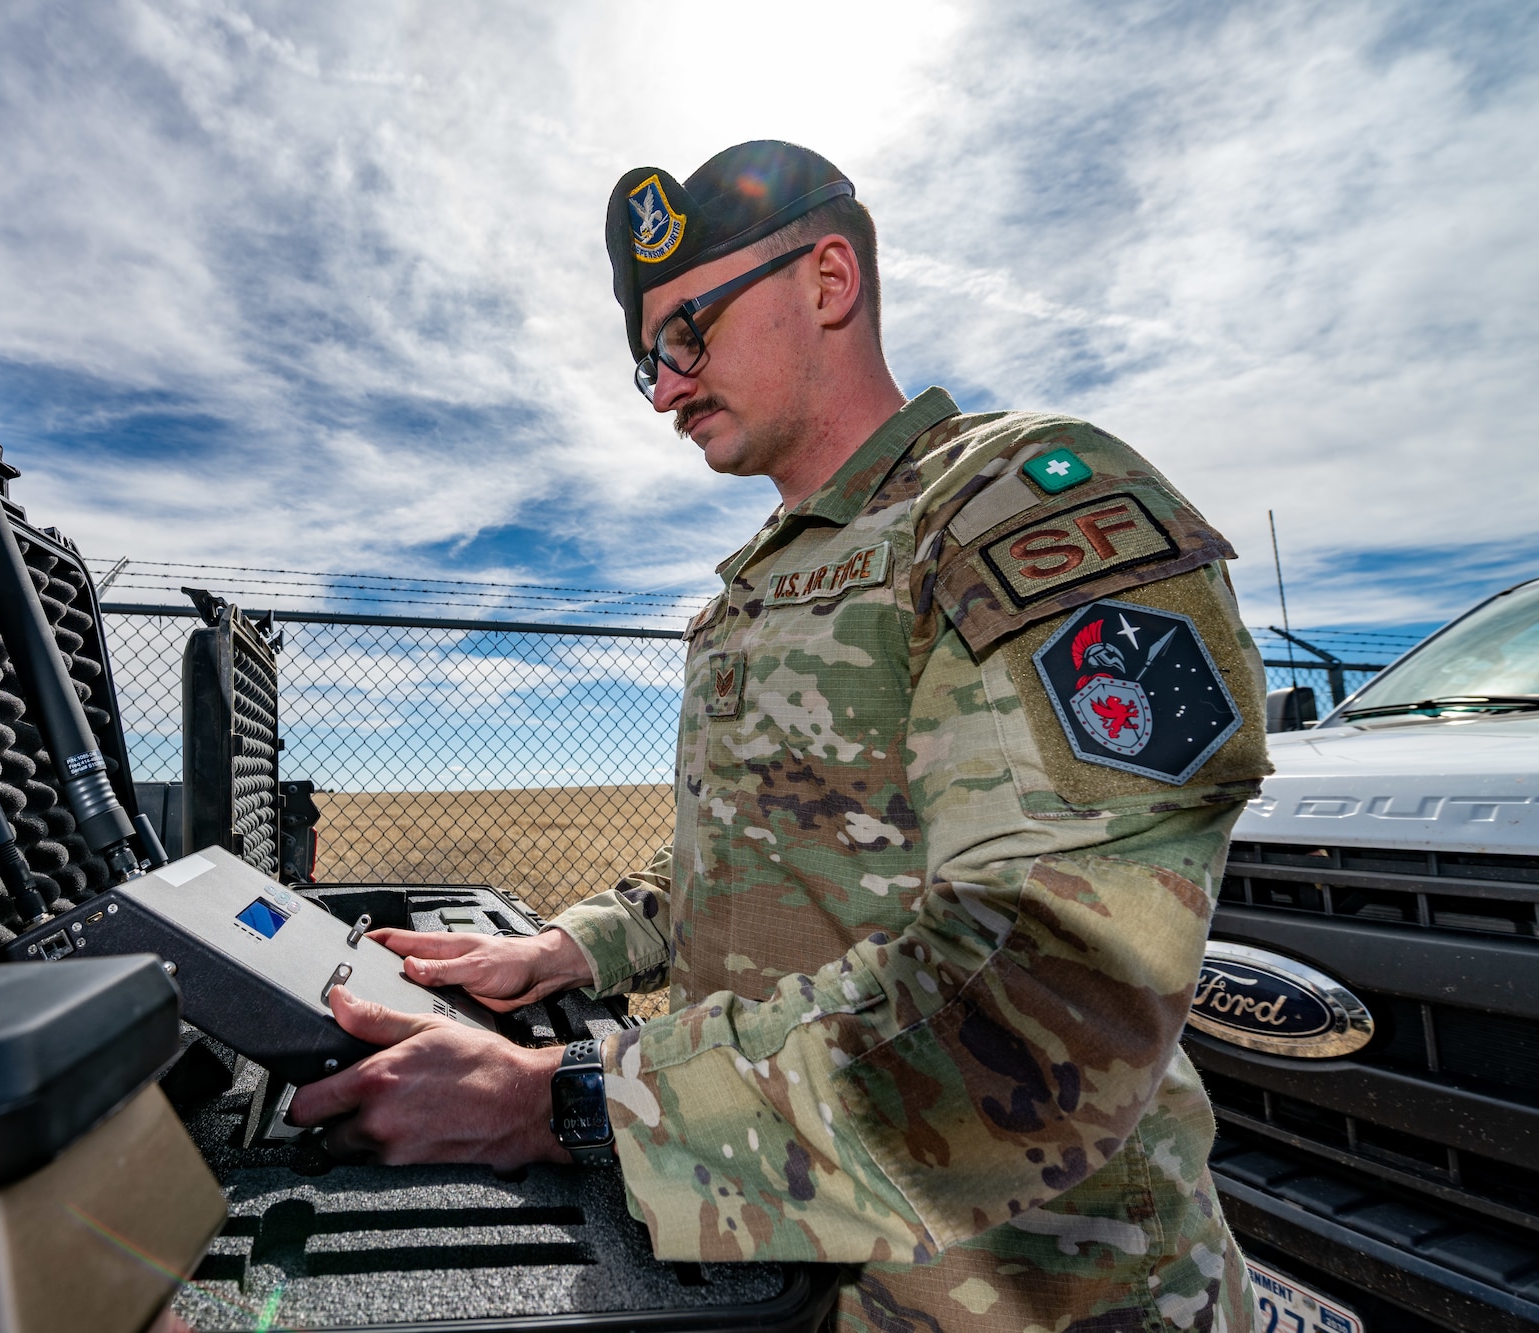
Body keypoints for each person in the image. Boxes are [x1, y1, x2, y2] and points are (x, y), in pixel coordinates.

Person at [289, 140, 1269, 1333]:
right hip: (789, 1253)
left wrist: (568, 1105)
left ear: (826, 281)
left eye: (684, 334)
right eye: (646, 359)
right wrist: (565, 950)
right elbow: (754, 862)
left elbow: (1050, 995)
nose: (662, 389)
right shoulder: (754, 586)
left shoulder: (1014, 505)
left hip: (1027, 1290)